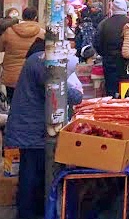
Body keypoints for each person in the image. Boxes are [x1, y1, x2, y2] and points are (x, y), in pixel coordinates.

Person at [6, 43, 81, 219]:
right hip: (32, 130)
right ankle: (29, 214)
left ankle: (35, 211)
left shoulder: (35, 60)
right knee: (32, 176)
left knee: (33, 174)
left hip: (32, 127)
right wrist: (77, 94)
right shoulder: (41, 64)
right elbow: (57, 87)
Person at [0, 7, 44, 102]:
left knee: (11, 102)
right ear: (35, 17)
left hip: (11, 75)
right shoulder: (41, 33)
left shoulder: (9, 31)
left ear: (22, 17)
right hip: (32, 76)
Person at [94, 0, 129, 97]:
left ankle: (113, 106)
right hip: (128, 63)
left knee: (111, 89)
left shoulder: (104, 24)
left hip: (109, 60)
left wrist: (104, 54)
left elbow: (97, 43)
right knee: (127, 88)